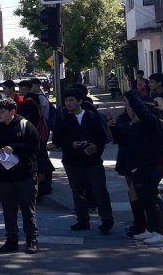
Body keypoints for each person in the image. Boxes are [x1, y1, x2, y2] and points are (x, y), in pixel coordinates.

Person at [48, 87, 114, 233]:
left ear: (80, 101)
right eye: (66, 100)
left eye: (71, 100)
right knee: (78, 192)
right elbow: (57, 139)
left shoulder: (92, 116)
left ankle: (107, 219)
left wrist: (96, 146)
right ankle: (82, 219)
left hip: (93, 161)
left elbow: (103, 136)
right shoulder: (62, 118)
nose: (68, 103)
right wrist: (70, 144)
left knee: (100, 190)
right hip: (72, 162)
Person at [107, 91, 163, 245]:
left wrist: (129, 93)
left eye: (134, 109)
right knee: (144, 199)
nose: (132, 112)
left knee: (150, 200)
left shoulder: (153, 124)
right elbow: (122, 138)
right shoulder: (137, 126)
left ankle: (158, 232)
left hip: (149, 168)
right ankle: (148, 229)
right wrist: (113, 127)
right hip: (139, 168)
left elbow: (141, 110)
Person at [0, 98, 40, 254]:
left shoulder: (25, 125)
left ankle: (32, 240)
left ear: (12, 111)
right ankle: (11, 240)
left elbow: (35, 146)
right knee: (8, 211)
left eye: (2, 111)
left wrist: (14, 148)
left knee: (28, 210)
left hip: (25, 176)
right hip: (3, 177)